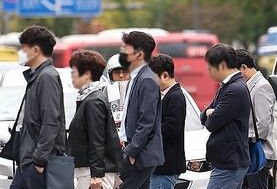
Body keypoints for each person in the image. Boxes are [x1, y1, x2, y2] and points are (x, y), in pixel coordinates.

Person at [9, 26, 67, 189]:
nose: (21, 52)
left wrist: (40, 160)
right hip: (29, 160)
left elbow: (51, 121)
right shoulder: (38, 76)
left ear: (35, 50)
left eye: (23, 48)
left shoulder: (47, 77)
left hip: (40, 163)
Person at [69, 50, 122, 189]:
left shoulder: (93, 101)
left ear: (86, 74)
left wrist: (96, 175)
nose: (72, 76)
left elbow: (96, 139)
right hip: (90, 170)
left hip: (94, 173)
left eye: (74, 71)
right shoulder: (87, 98)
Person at [119, 31, 165, 189]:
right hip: (137, 152)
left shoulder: (147, 80)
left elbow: (147, 122)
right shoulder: (138, 77)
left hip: (141, 155)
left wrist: (132, 152)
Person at [201, 44, 251, 189]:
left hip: (230, 162)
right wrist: (209, 112)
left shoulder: (234, 89)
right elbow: (204, 116)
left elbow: (211, 123)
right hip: (227, 161)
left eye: (210, 66)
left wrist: (211, 112)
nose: (208, 71)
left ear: (222, 65)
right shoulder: (227, 86)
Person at [238, 49, 277, 189]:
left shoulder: (262, 87)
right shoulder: (249, 85)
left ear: (244, 68)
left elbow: (263, 126)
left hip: (259, 152)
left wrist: (244, 139)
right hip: (250, 152)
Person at [148, 54, 187, 189]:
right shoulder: (164, 95)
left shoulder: (175, 96)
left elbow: (171, 129)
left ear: (164, 75)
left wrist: (148, 129)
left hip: (167, 165)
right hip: (160, 164)